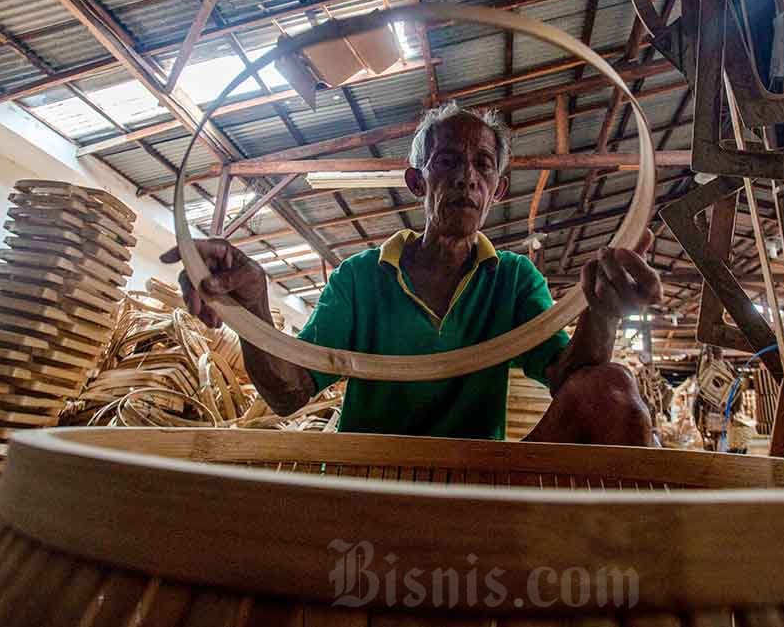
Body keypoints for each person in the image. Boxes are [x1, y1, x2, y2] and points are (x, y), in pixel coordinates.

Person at [162, 102, 663, 445]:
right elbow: (289, 392)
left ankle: (632, 584)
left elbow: (570, 379)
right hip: (370, 477)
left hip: (477, 481)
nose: (467, 176)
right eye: (447, 161)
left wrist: (602, 314)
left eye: (483, 165)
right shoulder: (360, 278)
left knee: (611, 388)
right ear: (415, 182)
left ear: (498, 189)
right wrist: (251, 308)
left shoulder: (512, 279)